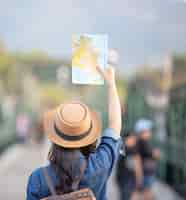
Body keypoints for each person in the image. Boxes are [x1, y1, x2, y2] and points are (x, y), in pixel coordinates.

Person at [26, 66, 122, 200]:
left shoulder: (38, 178)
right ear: (90, 137)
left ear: (56, 137)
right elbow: (115, 126)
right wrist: (111, 84)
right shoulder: (101, 164)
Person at [135, 119, 160, 200]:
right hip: (145, 171)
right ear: (143, 131)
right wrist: (155, 153)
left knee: (146, 192)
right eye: (148, 130)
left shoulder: (141, 142)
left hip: (146, 171)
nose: (149, 132)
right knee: (146, 192)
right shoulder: (143, 142)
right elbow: (153, 154)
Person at [116, 129, 143, 200]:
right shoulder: (132, 152)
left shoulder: (121, 149)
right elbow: (137, 167)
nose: (134, 140)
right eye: (132, 138)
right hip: (128, 180)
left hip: (123, 179)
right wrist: (139, 181)